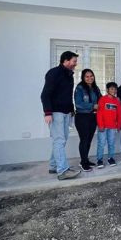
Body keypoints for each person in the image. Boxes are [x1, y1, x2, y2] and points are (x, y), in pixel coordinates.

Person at [40, 51, 81, 180]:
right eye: (74, 61)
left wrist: (72, 111)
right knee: (59, 140)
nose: (75, 64)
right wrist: (47, 113)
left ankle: (53, 165)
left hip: (66, 113)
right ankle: (62, 171)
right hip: (55, 113)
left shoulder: (69, 75)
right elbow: (45, 94)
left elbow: (68, 96)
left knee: (61, 141)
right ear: (66, 60)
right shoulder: (54, 73)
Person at [74, 69, 102, 171]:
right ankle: (83, 162)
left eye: (91, 76)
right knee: (84, 140)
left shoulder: (95, 88)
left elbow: (101, 100)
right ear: (83, 77)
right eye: (87, 76)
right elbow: (78, 103)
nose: (90, 78)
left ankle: (85, 159)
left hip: (92, 117)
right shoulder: (80, 88)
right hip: (82, 117)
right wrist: (93, 106)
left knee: (89, 140)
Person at [96, 82, 121, 168]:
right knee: (101, 143)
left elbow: (119, 114)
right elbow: (99, 113)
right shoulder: (102, 99)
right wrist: (100, 125)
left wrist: (118, 126)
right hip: (103, 126)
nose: (113, 90)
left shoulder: (117, 101)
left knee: (111, 143)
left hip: (112, 127)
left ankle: (110, 158)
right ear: (107, 90)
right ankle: (99, 160)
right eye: (111, 89)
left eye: (115, 89)